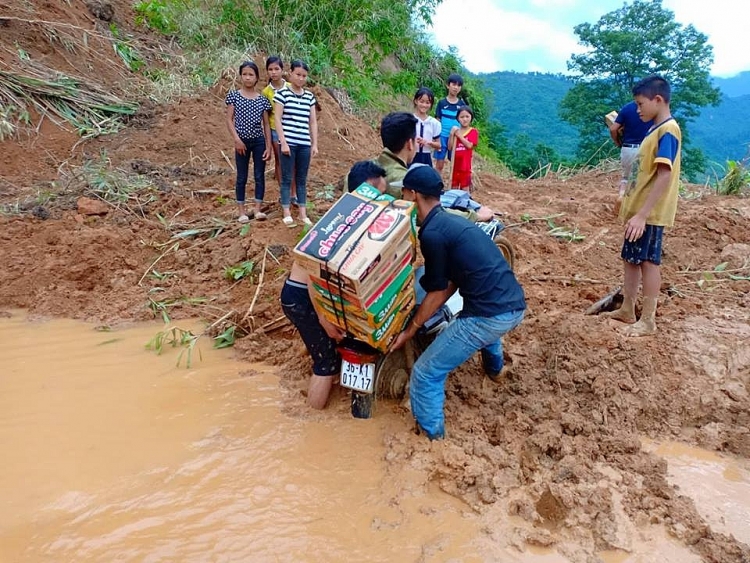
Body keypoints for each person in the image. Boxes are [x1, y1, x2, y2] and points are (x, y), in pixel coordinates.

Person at [391, 165, 526, 440]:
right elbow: (450, 281)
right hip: (513, 304)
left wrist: (410, 330)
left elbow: (439, 292)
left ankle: (432, 439)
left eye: (403, 193)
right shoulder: (452, 222)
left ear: (413, 194)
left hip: (489, 317)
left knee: (426, 372)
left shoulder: (430, 234)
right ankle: (495, 371)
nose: (402, 198)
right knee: (482, 325)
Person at [280, 161, 390, 409]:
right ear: (367, 190)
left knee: (329, 345)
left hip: (321, 295)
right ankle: (312, 423)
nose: (384, 201)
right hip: (305, 296)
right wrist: (322, 318)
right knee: (326, 364)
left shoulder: (358, 216)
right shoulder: (340, 221)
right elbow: (313, 273)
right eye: (381, 194)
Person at [603, 75, 681, 337]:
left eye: (640, 104)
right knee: (631, 259)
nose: (637, 110)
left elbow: (664, 174)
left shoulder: (668, 131)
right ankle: (627, 308)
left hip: (649, 213)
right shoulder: (654, 129)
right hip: (639, 210)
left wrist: (643, 215)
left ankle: (648, 319)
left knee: (648, 261)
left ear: (657, 100)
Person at [225, 61, 272, 222]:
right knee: (241, 176)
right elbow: (229, 120)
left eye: (251, 74)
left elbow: (266, 124)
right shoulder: (234, 96)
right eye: (245, 74)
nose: (247, 77)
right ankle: (241, 211)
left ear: (257, 78)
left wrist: (268, 146)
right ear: (240, 76)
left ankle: (258, 210)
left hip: (258, 141)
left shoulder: (262, 99)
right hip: (241, 141)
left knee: (259, 175)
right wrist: (237, 139)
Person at [274, 60, 318, 226]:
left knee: (301, 179)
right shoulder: (282, 94)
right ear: (290, 73)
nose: (300, 78)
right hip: (289, 143)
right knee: (286, 178)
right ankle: (286, 211)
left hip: (304, 143)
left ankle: (302, 213)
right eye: (298, 74)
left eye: (304, 76)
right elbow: (277, 118)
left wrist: (314, 144)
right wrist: (283, 142)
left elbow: (312, 122)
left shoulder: (309, 97)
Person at [609, 100, 653, 200]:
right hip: (646, 148)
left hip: (628, 148)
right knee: (643, 180)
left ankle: (621, 197)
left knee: (626, 178)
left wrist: (617, 142)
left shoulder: (626, 108)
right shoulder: (652, 109)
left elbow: (613, 129)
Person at [261, 56, 288, 191]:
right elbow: (266, 117)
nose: (274, 72)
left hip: (291, 129)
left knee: (292, 162)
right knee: (280, 161)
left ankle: (292, 191)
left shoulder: (290, 87)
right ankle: (283, 190)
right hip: (274, 130)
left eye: (276, 69)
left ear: (282, 70)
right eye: (270, 69)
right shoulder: (266, 92)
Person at [434, 73, 467, 173]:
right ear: (448, 85)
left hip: (456, 138)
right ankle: (437, 186)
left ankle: (454, 186)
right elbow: (437, 120)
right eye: (454, 84)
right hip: (443, 137)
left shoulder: (462, 105)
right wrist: (437, 138)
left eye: (458, 85)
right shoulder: (441, 103)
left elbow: (464, 122)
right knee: (439, 165)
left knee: (455, 164)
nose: (456, 87)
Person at [448, 105, 478, 191]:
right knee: (453, 188)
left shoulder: (473, 131)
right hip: (454, 166)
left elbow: (469, 145)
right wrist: (451, 134)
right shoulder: (455, 131)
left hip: (465, 167)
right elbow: (450, 147)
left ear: (471, 117)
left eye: (467, 116)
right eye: (462, 117)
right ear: (458, 118)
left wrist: (459, 136)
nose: (464, 119)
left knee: (465, 189)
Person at [412, 87, 441, 167]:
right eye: (421, 101)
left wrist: (428, 142)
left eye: (427, 102)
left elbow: (439, 145)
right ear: (416, 101)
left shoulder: (434, 123)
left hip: (426, 157)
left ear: (431, 104)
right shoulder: (409, 120)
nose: (424, 105)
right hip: (410, 156)